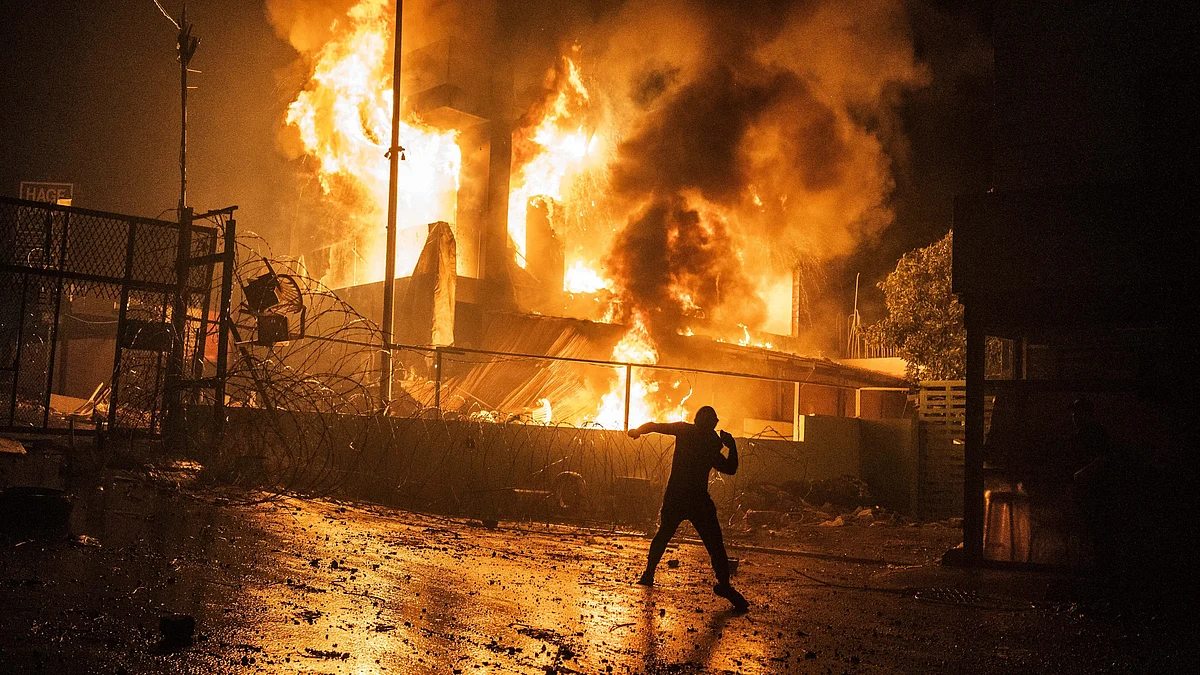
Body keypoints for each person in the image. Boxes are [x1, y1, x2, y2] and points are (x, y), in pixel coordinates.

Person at [627, 406, 748, 610]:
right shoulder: (711, 442)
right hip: (698, 500)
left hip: (677, 496)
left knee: (664, 534)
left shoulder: (686, 431)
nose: (716, 424)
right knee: (714, 544)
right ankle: (724, 584)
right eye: (714, 421)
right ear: (712, 423)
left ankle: (648, 574)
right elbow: (730, 468)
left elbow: (656, 426)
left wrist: (638, 430)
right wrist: (732, 446)